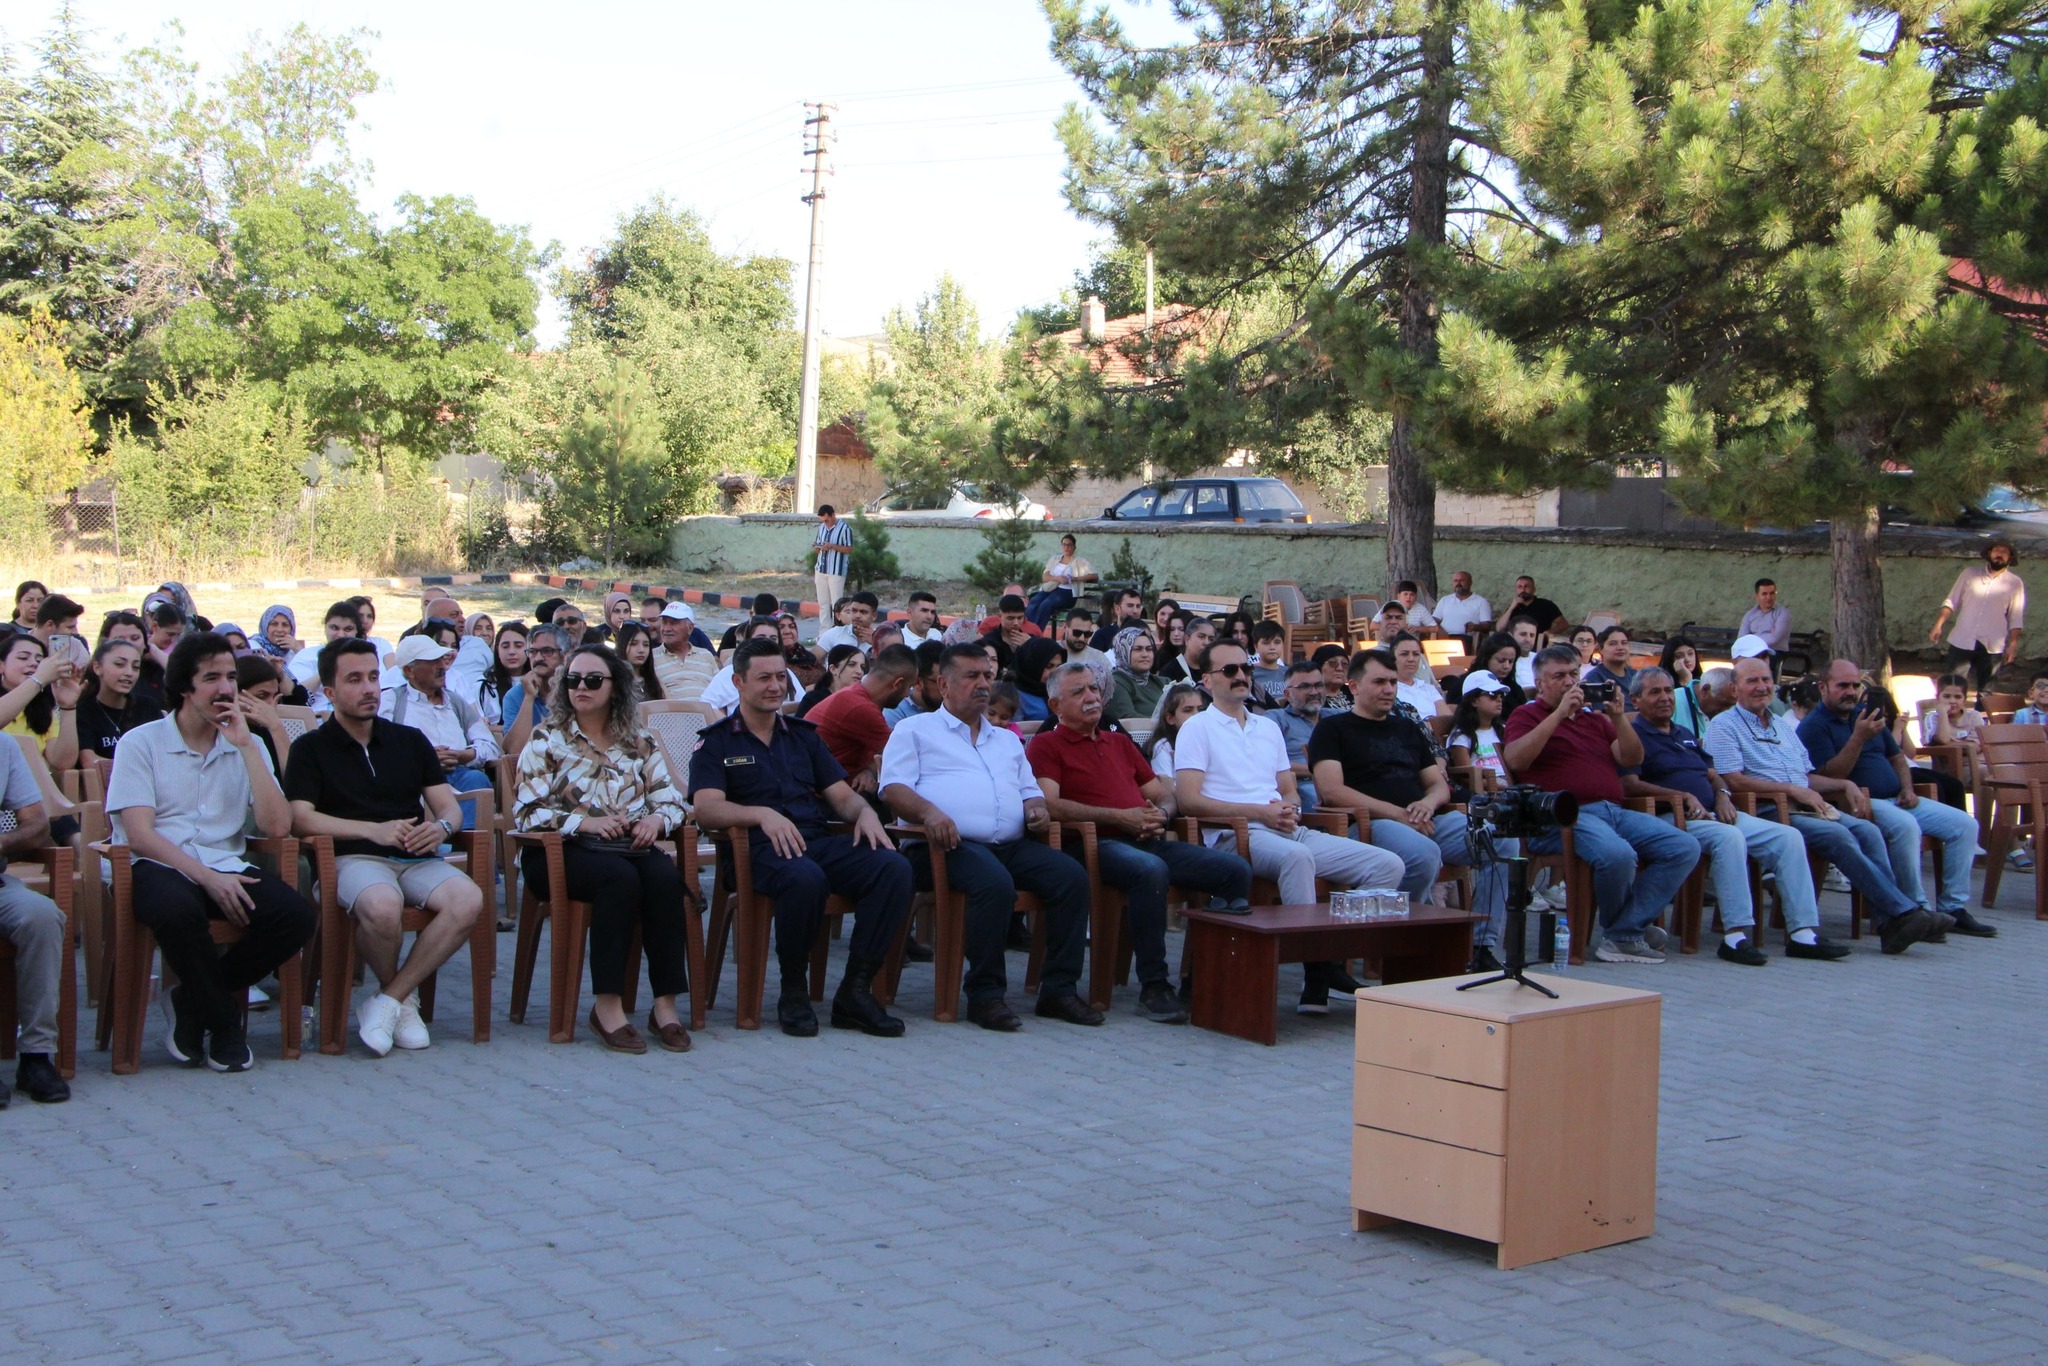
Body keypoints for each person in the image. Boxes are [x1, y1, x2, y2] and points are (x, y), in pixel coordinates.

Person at [105, 632, 317, 1071]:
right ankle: (223, 1025)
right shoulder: (141, 743)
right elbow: (140, 835)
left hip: (225, 862)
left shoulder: (247, 744)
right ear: (185, 687)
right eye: (211, 678)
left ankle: (191, 1000)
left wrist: (246, 746)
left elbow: (278, 826)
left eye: (230, 677)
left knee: (295, 916)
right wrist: (207, 878)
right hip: (156, 864)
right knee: (179, 911)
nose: (225, 688)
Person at [690, 638, 913, 1038]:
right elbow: (706, 808)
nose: (776, 686)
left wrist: (866, 815)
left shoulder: (803, 736)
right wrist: (761, 814)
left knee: (892, 866)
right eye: (764, 678)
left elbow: (841, 797)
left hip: (813, 839)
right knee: (804, 879)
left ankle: (855, 991)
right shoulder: (717, 741)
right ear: (738, 682)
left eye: (780, 677)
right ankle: (793, 989)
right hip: (755, 850)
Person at [1172, 638, 1404, 1012]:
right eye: (1229, 670)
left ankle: (1332, 955)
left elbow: (1290, 790)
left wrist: (1287, 807)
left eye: (1245, 669)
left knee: (1387, 865)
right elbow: (1189, 800)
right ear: (1206, 679)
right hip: (1233, 835)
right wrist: (1259, 813)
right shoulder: (1197, 729)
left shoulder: (1267, 728)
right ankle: (1317, 974)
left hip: (1282, 829)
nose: (1240, 676)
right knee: (1297, 858)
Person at [880, 642, 1101, 1031]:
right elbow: (892, 788)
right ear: (944, 685)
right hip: (943, 847)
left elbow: (1031, 790)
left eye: (987, 675)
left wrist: (1036, 809)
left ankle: (1059, 990)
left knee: (1070, 877)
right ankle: (985, 995)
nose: (983, 684)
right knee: (995, 885)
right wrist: (931, 812)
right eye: (971, 676)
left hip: (1010, 846)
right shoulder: (914, 730)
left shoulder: (1004, 739)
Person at [284, 638, 485, 1055]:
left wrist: (443, 827)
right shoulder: (310, 748)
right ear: (330, 692)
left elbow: (447, 805)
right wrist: (370, 830)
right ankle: (403, 1002)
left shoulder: (410, 740)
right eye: (354, 680)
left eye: (374, 677)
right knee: (382, 906)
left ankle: (390, 999)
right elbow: (300, 817)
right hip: (353, 858)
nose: (369, 688)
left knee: (468, 899)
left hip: (415, 856)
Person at [1028, 662, 1250, 1022]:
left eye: (1094, 690)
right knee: (1150, 870)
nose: (1091, 698)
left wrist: (1160, 815)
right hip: (1091, 846)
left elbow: (1162, 793)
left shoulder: (1119, 742)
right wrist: (1120, 818)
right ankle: (1154, 985)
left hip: (1145, 838)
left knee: (1233, 870)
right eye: (1078, 692)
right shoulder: (1046, 744)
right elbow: (1049, 804)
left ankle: (1203, 978)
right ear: (1055, 706)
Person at [513, 645, 695, 1054]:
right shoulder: (547, 740)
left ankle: (664, 1005)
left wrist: (654, 821)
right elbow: (526, 811)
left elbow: (671, 799)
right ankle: (607, 1007)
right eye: (573, 679)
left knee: (665, 879)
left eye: (593, 680)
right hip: (558, 851)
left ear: (615, 687)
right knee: (620, 881)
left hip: (624, 847)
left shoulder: (639, 740)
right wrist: (585, 822)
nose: (581, 687)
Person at [1705, 657, 1940, 954]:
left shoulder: (1781, 725)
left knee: (1868, 831)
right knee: (1838, 836)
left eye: (1766, 680)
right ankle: (1902, 913)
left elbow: (1807, 777)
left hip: (1804, 806)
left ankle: (1890, 924)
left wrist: (1843, 784)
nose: (1761, 687)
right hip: (1767, 810)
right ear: (1734, 688)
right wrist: (1791, 790)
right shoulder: (1724, 725)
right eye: (1752, 681)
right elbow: (1733, 781)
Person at [1624, 668, 1848, 965]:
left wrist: (1722, 794)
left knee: (1788, 836)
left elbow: (1713, 773)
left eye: (1668, 691)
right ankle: (1735, 936)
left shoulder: (1684, 734)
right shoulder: (1633, 736)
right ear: (1636, 700)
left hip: (1715, 813)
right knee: (1730, 838)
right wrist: (1682, 797)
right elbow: (1630, 785)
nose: (1665, 698)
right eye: (1655, 692)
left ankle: (1803, 934)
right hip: (1672, 819)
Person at [1311, 648, 1515, 971]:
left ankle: (1480, 946)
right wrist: (1397, 814)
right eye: (1379, 682)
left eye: (1392, 682)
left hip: (1423, 818)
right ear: (1354, 686)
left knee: (1503, 841)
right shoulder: (1333, 729)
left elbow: (1437, 784)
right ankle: (1399, 946)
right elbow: (1331, 791)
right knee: (1422, 854)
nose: (1389, 689)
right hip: (1367, 825)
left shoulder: (1407, 729)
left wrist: (1427, 803)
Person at [1501, 644, 1699, 965]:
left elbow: (1632, 758)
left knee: (1684, 846)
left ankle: (1624, 929)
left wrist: (1619, 718)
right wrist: (1558, 715)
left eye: (1573, 675)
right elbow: (1516, 758)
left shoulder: (1595, 720)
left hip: (1612, 811)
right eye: (1559, 676)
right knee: (1618, 855)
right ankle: (1624, 935)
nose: (1569, 682)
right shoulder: (1527, 714)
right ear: (1540, 683)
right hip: (1563, 815)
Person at [1800, 660, 1994, 936]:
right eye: (1842, 685)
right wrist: (1857, 738)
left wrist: (1907, 788)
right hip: (1861, 804)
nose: (1850, 692)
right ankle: (1917, 910)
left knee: (1964, 825)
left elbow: (1898, 758)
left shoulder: (1866, 714)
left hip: (1898, 798)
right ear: (1823, 687)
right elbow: (1829, 775)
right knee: (1905, 827)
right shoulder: (1814, 725)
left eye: (1855, 685)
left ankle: (1953, 908)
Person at [0, 731, 70, 1103]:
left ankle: (36, 1055)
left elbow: (37, 825)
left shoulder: (4, 746)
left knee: (43, 917)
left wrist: (1, 843)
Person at [381, 636, 499, 815]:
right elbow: (380, 748)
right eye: (432, 662)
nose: (442, 667)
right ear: (409, 670)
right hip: (415, 779)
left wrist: (465, 755)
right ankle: (448, 838)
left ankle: (463, 840)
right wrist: (424, 759)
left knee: (476, 779)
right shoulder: (392, 700)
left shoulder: (455, 701)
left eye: (441, 660)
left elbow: (490, 746)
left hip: (458, 774)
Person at [807, 643, 918, 797]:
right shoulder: (860, 707)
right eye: (909, 687)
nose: (908, 695)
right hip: (825, 798)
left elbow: (877, 755)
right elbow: (905, 754)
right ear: (897, 684)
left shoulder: (858, 695)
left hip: (838, 788)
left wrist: (869, 771)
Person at [1929, 538, 2024, 696]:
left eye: (2005, 552)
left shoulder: (2015, 583)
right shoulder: (1969, 574)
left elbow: (2016, 615)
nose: (2000, 554)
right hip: (1963, 638)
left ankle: (1981, 720)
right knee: (1952, 684)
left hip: (1992, 643)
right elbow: (1952, 601)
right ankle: (1949, 718)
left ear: (2010, 558)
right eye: (1997, 550)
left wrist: (2013, 643)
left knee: (1986, 691)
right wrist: (1938, 625)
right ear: (1989, 553)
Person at [73, 636, 165, 767]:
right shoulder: (83, 710)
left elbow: (163, 756)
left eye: (135, 667)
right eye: (119, 664)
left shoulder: (148, 706)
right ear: (97, 668)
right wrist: (137, 767)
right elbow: (89, 761)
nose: (129, 673)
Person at [1, 632, 82, 772]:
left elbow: (63, 762)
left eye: (39, 661)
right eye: (23, 657)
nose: (33, 663)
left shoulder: (43, 711)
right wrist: (38, 679)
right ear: (1, 666)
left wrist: (68, 707)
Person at [701, 619, 803, 714]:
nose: (767, 642)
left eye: (773, 638)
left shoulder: (787, 673)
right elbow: (706, 707)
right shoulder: (728, 673)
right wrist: (727, 725)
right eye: (761, 638)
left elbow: (802, 704)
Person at [501, 623, 568, 760]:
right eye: (532, 652)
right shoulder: (515, 696)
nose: (538, 658)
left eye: (547, 651)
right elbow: (515, 751)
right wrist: (529, 697)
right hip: (533, 768)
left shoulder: (576, 690)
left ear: (564, 655)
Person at [1269, 661, 1327, 812]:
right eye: (1304, 687)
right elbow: (1269, 761)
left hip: (1343, 782)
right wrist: (1321, 771)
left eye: (1318, 685)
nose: (1314, 692)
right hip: (1300, 784)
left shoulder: (1336, 717)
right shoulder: (1276, 718)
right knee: (1314, 795)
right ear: (1287, 694)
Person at [286, 601, 365, 703]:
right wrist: (325, 670)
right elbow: (296, 699)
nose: (340, 635)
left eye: (348, 629)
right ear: (325, 627)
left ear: (356, 631)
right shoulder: (307, 656)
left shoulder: (365, 660)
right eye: (334, 628)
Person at [1446, 672, 1510, 786]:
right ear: (1474, 701)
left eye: (1501, 695)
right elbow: (1466, 777)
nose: (1499, 699)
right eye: (1492, 694)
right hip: (1487, 790)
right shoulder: (1461, 735)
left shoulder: (1503, 729)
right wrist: (1500, 785)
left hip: (1510, 783)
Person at [1026, 534, 1097, 628]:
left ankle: (1035, 633)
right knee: (1033, 602)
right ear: (1061, 546)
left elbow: (1094, 576)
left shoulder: (1079, 561)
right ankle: (1028, 629)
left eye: (1069, 545)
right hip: (1052, 589)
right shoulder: (1055, 559)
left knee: (1045, 605)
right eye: (1064, 544)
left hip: (1067, 593)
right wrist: (1058, 578)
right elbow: (1045, 577)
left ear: (1074, 547)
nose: (1066, 547)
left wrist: (1074, 579)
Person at [649, 603, 715, 703]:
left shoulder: (706, 656)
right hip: (669, 715)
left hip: (707, 715)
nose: (666, 629)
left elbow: (720, 694)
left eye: (674, 623)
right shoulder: (651, 657)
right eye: (664, 622)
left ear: (690, 628)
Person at [1456, 631, 1529, 713]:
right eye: (1501, 660)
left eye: (1511, 661)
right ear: (1487, 659)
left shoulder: (1515, 689)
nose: (1507, 666)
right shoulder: (1466, 683)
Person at [1107, 628, 1167, 724]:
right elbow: (1129, 719)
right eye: (1137, 649)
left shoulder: (1163, 682)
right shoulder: (1116, 682)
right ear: (1123, 650)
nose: (1145, 654)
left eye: (1149, 649)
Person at [1144, 683, 1204, 778]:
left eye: (1200, 709)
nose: (1197, 715)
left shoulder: (1208, 740)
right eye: (1188, 710)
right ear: (1170, 718)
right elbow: (1167, 789)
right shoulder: (1164, 747)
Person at [795, 644, 865, 719]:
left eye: (862, 667)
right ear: (833, 669)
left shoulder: (862, 700)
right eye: (852, 664)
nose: (859, 671)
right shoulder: (814, 700)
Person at [887, 641, 947, 727]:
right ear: (918, 682)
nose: (948, 688)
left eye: (951, 681)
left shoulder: (952, 710)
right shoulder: (896, 714)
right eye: (941, 683)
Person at [979, 595, 1039, 678]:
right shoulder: (989, 641)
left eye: (1020, 618)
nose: (1016, 623)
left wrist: (1030, 646)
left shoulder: (1031, 640)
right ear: (1000, 615)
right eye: (1010, 618)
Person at [1658, 637, 1709, 736]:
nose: (1687, 659)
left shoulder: (1704, 681)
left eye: (1690, 654)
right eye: (1679, 656)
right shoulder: (1663, 683)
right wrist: (1687, 678)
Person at [1010, 637, 1066, 725]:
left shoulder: (1062, 690)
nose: (1055, 672)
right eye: (1049, 666)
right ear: (1032, 666)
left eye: (1059, 666)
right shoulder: (1014, 695)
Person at [478, 622, 527, 722]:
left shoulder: (539, 681)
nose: (511, 652)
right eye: (505, 646)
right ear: (497, 650)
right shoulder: (485, 686)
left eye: (518, 646)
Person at [811, 504, 853, 620]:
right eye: (823, 521)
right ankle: (824, 631)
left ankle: (837, 629)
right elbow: (816, 546)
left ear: (833, 515)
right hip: (821, 569)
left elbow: (849, 549)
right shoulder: (821, 528)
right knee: (823, 604)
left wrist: (832, 546)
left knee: (837, 603)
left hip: (836, 570)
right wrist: (817, 547)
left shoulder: (845, 528)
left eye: (827, 520)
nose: (826, 523)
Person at [1581, 626, 1639, 707]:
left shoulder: (1637, 676)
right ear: (1601, 649)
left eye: (1624, 643)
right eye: (1613, 644)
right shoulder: (1594, 679)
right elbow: (1601, 715)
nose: (1620, 648)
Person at [1391, 633, 1446, 717]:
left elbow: (1446, 720)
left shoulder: (1429, 689)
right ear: (1392, 658)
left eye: (1416, 654)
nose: (1411, 659)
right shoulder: (1388, 690)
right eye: (1404, 654)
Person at [1740, 578, 1790, 667]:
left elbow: (1774, 639)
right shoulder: (1750, 614)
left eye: (1772, 593)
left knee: (1755, 661)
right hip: (1752, 652)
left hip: (1775, 652)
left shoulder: (1782, 613)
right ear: (1757, 596)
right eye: (1764, 594)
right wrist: (1768, 635)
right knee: (1740, 659)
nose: (1769, 597)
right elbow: (1741, 639)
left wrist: (1750, 638)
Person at [1494, 576, 1567, 635]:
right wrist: (1511, 608)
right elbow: (1499, 628)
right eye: (1520, 587)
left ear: (1534, 589)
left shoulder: (1546, 605)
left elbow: (1564, 624)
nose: (1523, 590)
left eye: (1527, 586)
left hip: (1539, 646)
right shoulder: (1513, 607)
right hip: (1516, 646)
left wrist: (1549, 632)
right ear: (1516, 590)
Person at [613, 622, 664, 702]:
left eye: (646, 645)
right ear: (622, 645)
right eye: (634, 644)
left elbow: (668, 709)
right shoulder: (613, 682)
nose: (641, 650)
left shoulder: (655, 682)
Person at [816, 591, 879, 655]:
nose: (857, 615)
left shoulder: (880, 640)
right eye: (854, 610)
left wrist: (876, 644)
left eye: (863, 612)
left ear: (874, 616)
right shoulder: (834, 634)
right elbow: (811, 661)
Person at [1433, 571, 1492, 638]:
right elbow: (1434, 620)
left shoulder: (1481, 601)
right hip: (1443, 637)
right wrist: (1440, 630)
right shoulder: (1445, 600)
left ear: (1470, 582)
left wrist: (1475, 627)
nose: (1458, 583)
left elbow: (1486, 625)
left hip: (1464, 638)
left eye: (1462, 580)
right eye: (1456, 581)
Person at [1161, 618, 1216, 686]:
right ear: (1187, 639)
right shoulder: (1169, 671)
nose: (1206, 642)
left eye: (1211, 639)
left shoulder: (1215, 670)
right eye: (1201, 637)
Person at [1091, 588, 1147, 652]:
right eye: (1130, 606)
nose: (1135, 611)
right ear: (1117, 609)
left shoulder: (1145, 634)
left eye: (1138, 606)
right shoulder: (1102, 635)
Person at [1060, 608, 1110, 674]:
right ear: (1065, 628)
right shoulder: (1052, 652)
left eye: (1087, 634)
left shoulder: (1098, 657)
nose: (1082, 638)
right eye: (1077, 633)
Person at [1373, 581, 1437, 630]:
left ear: (1416, 597)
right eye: (1405, 594)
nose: (1408, 597)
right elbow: (1373, 625)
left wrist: (1418, 629)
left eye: (1411, 594)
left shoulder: (1420, 609)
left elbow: (1435, 628)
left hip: (1412, 644)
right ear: (1398, 596)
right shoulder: (1390, 607)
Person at [1313, 642, 1353, 714]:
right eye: (1333, 663)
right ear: (1319, 667)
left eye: (1344, 664)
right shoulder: (1311, 698)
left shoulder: (1354, 693)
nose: (1340, 668)